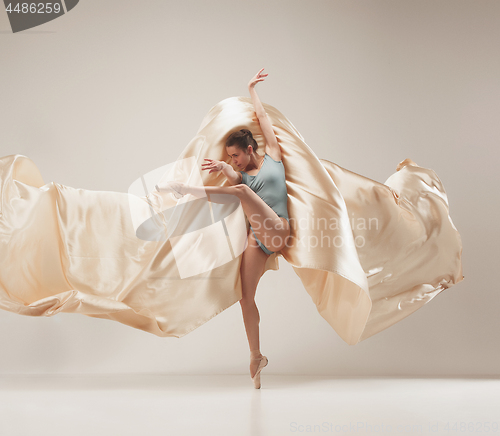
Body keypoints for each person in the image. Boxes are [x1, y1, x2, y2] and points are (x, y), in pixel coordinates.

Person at [156, 68, 289, 388]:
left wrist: (251, 89)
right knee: (245, 297)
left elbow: (263, 120)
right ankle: (256, 356)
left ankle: (185, 192)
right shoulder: (238, 176)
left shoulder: (273, 158)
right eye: (230, 157)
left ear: (250, 149)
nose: (235, 161)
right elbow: (231, 179)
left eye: (236, 155)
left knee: (243, 194)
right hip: (258, 240)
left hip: (279, 229)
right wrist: (221, 167)